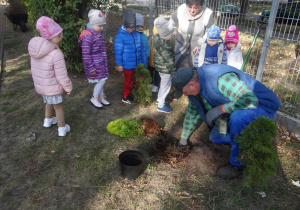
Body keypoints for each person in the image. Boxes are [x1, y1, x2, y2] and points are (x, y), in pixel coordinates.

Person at [172, 65, 280, 179]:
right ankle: (246, 138)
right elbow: (193, 113)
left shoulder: (221, 80)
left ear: (192, 84)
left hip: (262, 105)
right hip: (238, 107)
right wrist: (184, 139)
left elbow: (250, 100)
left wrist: (220, 109)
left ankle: (237, 164)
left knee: (239, 119)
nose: (184, 95)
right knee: (215, 137)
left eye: (184, 91)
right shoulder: (194, 92)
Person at [28, 16, 73, 137]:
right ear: (55, 37)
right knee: (58, 107)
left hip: (43, 87)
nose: (60, 38)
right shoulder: (56, 54)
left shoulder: (35, 51)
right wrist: (68, 87)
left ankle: (47, 120)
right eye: (59, 36)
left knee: (48, 101)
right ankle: (62, 128)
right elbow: (61, 75)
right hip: (53, 87)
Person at [78, 9, 110, 109]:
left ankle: (100, 97)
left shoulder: (96, 34)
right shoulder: (88, 37)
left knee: (102, 80)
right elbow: (86, 55)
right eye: (100, 26)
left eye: (102, 25)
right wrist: (91, 68)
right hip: (94, 66)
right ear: (92, 24)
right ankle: (94, 98)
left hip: (100, 63)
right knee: (101, 81)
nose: (102, 28)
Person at [114, 9, 148, 104]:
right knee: (128, 81)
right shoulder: (120, 37)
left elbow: (142, 50)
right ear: (125, 26)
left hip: (138, 63)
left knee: (138, 79)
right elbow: (118, 52)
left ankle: (138, 94)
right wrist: (119, 64)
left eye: (133, 28)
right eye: (129, 28)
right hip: (128, 65)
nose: (131, 30)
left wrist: (144, 62)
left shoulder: (137, 35)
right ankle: (126, 96)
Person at [169, 0, 214, 69]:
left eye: (196, 8)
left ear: (201, 6)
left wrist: (201, 44)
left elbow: (210, 33)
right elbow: (170, 25)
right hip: (180, 50)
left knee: (194, 74)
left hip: (197, 52)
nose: (192, 11)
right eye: (190, 7)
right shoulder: (181, 9)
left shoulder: (208, 13)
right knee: (179, 73)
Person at [152, 17, 176, 113]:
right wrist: (174, 71)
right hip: (166, 69)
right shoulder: (165, 46)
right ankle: (161, 105)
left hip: (160, 67)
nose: (171, 36)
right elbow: (169, 61)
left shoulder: (157, 39)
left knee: (163, 83)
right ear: (165, 35)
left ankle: (159, 99)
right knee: (166, 86)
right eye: (170, 35)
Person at [148, 26, 161, 93]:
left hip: (157, 62)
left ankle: (156, 85)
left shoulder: (161, 40)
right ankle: (151, 84)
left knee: (157, 75)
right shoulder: (150, 39)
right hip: (151, 60)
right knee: (150, 73)